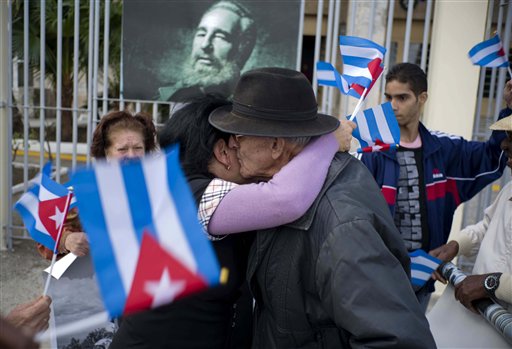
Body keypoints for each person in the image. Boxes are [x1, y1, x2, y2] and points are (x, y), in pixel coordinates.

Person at [209, 67, 435, 348]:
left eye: (239, 136)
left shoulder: (343, 227)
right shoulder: (285, 185)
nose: (232, 145)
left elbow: (399, 341)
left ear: (277, 145)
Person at [110, 95, 355, 348]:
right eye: (242, 141)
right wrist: (327, 142)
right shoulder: (189, 195)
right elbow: (284, 200)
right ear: (223, 151)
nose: (249, 150)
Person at [359, 63, 510, 311]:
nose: (393, 105)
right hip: (377, 281)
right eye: (388, 97)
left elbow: (493, 155)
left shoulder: (444, 150)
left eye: (402, 97)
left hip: (421, 281)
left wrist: (509, 110)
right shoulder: (371, 152)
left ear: (422, 98)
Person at [36, 110, 158, 259]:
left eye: (138, 148)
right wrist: (66, 240)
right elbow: (44, 234)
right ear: (106, 152)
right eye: (122, 149)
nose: (132, 155)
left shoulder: (159, 188)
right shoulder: (84, 191)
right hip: (92, 278)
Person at [430, 111, 512, 313]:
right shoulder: (509, 189)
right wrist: (456, 245)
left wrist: (491, 283)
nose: (504, 145)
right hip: (485, 317)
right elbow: (487, 227)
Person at [158, 0, 256, 102]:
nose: (204, 45)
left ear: (242, 49)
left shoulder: (251, 105)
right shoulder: (164, 98)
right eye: (201, 34)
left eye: (220, 36)